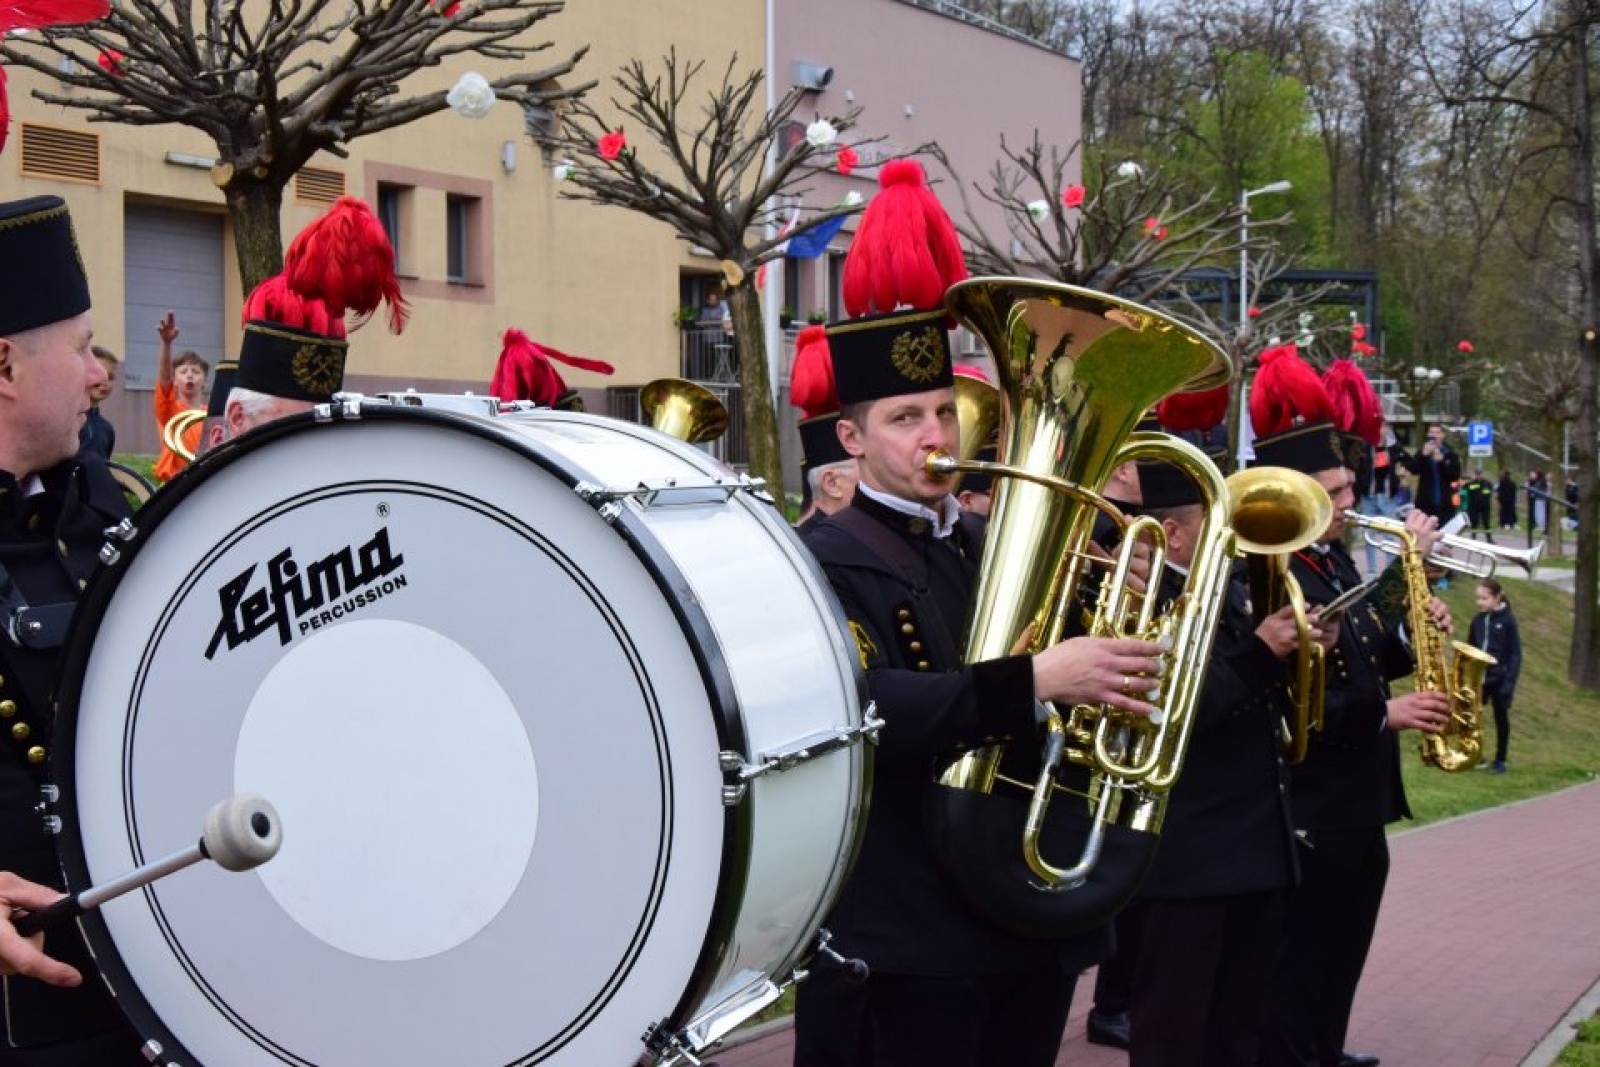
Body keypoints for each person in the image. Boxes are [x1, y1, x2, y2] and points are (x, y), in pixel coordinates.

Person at [794, 159, 1160, 1067]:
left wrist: (1101, 678)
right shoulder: (821, 559)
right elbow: (866, 707)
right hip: (909, 924)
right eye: (903, 419)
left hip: (1015, 909)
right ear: (852, 439)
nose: (934, 438)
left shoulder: (978, 545)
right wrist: (1038, 678)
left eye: (943, 415)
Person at [1251, 352, 1453, 1067]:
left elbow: (1369, 654)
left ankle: (1322, 1049)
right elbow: (1285, 702)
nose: (1347, 503)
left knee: (1342, 950)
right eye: (1332, 491)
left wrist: (1413, 619)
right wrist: (1386, 718)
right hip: (1316, 799)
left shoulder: (1330, 559)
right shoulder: (1274, 569)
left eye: (1347, 487)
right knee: (1301, 957)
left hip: (1360, 797)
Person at [0, 194, 145, 1064]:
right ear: (6, 367)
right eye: (84, 347)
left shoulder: (111, 506)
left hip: (141, 994)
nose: (100, 374)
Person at [1126, 456, 1332, 1067]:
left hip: (1254, 849)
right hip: (1188, 858)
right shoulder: (1144, 599)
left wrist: (1303, 648)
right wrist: (1265, 652)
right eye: (1223, 525)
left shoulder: (1233, 593)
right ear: (1179, 534)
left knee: (1237, 1026)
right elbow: (1172, 710)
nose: (1237, 542)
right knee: (1174, 1026)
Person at [1470, 578, 1522, 775]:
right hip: (1479, 679)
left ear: (1497, 597)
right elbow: (1471, 646)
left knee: (1501, 718)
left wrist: (1509, 682)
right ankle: (1476, 755)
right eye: (1478, 598)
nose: (1480, 602)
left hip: (1499, 679)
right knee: (1473, 717)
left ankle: (1500, 759)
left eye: (1484, 598)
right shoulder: (1478, 620)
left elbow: (1515, 653)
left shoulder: (1508, 620)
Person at [152, 311, 209, 482]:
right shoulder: (170, 410)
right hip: (176, 482)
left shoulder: (213, 414)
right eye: (183, 372)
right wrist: (166, 344)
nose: (190, 375)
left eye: (196, 372)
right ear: (175, 381)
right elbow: (164, 378)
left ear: (205, 381)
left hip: (205, 479)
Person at [1397, 423, 1460, 522]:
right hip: (1425, 504)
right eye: (1431, 432)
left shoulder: (1450, 454)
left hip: (1445, 504)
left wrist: (1442, 461)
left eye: (1437, 433)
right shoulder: (1423, 452)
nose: (1434, 436)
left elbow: (1454, 476)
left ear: (1443, 435)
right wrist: (1423, 455)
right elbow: (1413, 469)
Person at [78, 345, 118, 460]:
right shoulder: (68, 423)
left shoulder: (107, 429)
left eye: (110, 377)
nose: (104, 382)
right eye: (98, 374)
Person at [1461, 469, 1494, 541]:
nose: (1478, 476)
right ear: (1475, 475)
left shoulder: (1487, 483)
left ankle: (1489, 538)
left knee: (1486, 522)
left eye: (1480, 474)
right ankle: (1473, 538)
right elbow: (1464, 489)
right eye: (1477, 474)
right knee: (1474, 522)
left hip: (1485, 506)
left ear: (1482, 474)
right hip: (1474, 506)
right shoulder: (1470, 483)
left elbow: (1489, 493)